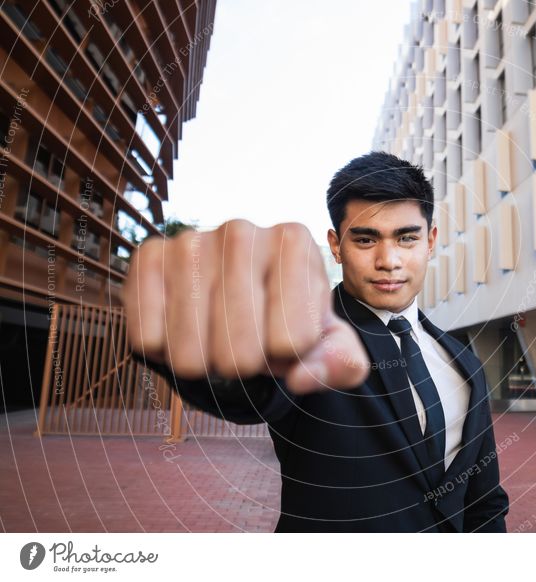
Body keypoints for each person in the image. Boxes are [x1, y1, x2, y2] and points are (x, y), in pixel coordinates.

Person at [123, 151, 509, 532]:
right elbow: (252, 388)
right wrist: (199, 324)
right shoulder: (307, 336)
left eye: (406, 239)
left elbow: (484, 502)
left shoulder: (463, 362)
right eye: (365, 240)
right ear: (336, 245)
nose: (389, 260)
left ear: (431, 241)